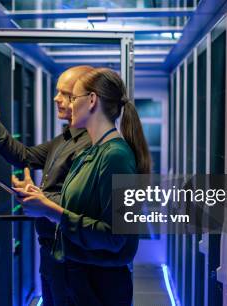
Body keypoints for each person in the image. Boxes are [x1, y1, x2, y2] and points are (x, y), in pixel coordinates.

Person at [14, 68, 150, 305]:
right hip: (78, 278)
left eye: (73, 98)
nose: (67, 105)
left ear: (92, 100)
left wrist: (48, 210)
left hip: (98, 287)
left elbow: (115, 237)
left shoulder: (115, 156)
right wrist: (39, 198)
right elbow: (80, 208)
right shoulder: (93, 151)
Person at [0, 65, 93, 306]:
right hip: (51, 252)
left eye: (65, 94)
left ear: (88, 99)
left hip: (71, 256)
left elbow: (80, 204)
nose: (56, 98)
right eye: (57, 91)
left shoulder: (90, 145)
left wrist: (39, 198)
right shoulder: (66, 137)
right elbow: (25, 157)